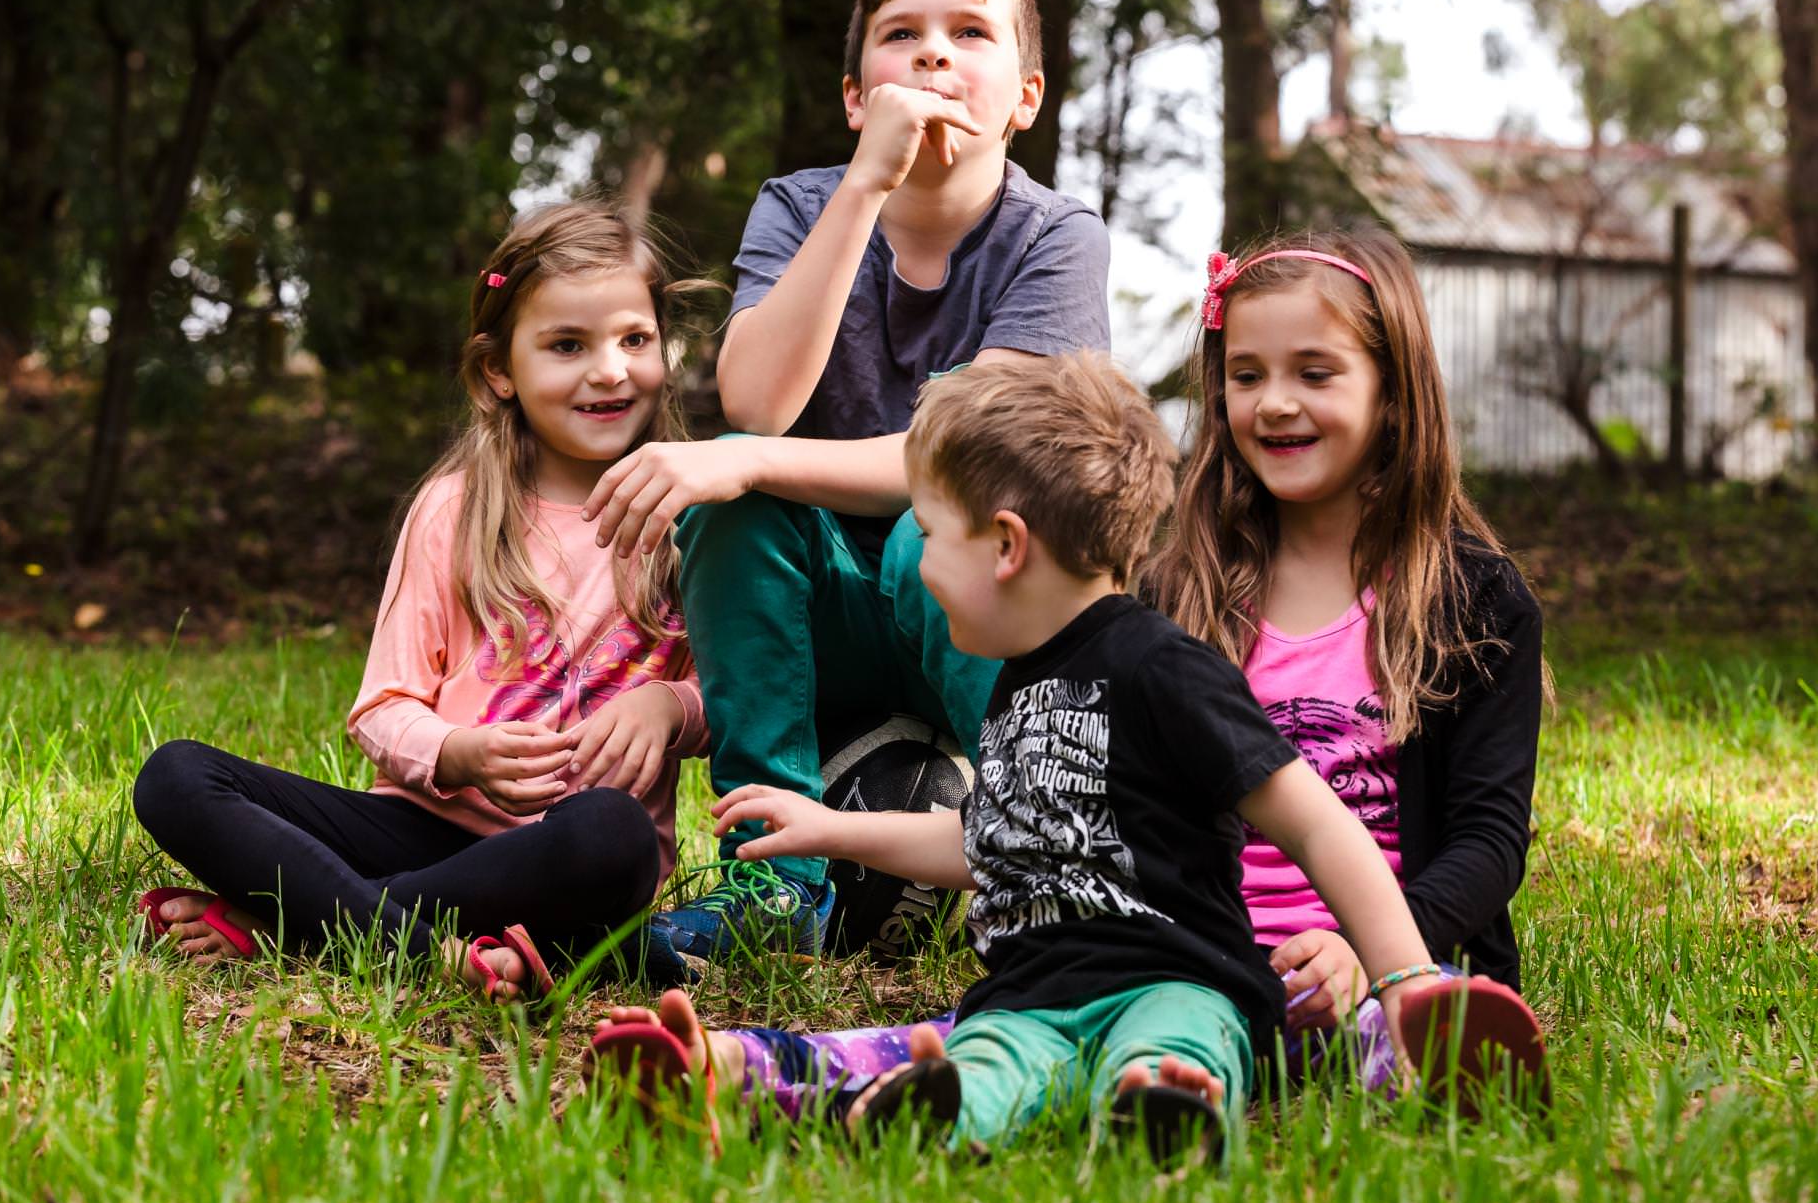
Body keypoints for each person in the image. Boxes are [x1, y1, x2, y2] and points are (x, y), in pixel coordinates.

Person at [595, 227, 1550, 1123]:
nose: (1276, 402)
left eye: (1316, 372)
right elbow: (1034, 831)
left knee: (1329, 1033)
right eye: (1247, 374)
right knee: (997, 1045)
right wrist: (838, 828)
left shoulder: (1474, 601)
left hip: (1358, 953)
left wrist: (1388, 961)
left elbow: (1484, 836)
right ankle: (756, 1068)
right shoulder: (1179, 601)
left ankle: (1426, 1043)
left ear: (1395, 390)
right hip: (1180, 951)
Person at [576, 0, 1111, 977]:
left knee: (935, 527)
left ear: (1026, 96)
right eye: (900, 35)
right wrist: (862, 188)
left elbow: (966, 459)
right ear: (855, 96)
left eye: (969, 32)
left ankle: (1041, 854)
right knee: (733, 506)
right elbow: (758, 400)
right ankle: (772, 881)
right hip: (815, 617)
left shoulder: (1057, 237)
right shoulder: (800, 206)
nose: (932, 55)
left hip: (969, 606)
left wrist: (744, 458)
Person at [133, 200, 711, 1001]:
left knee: (614, 834)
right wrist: (457, 753)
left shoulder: (691, 516)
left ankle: (307, 922)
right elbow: (383, 709)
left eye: (634, 339)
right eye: (567, 344)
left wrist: (668, 708)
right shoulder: (458, 505)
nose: (610, 368)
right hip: (419, 836)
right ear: (498, 370)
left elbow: (739, 701)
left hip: (571, 856)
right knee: (175, 776)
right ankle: (421, 937)